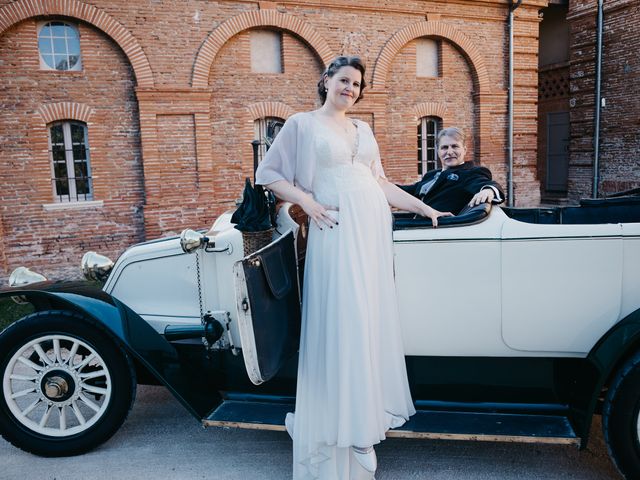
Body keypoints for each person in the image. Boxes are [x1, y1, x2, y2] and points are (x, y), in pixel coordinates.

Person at [255, 56, 451, 479]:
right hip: (337, 232)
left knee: (368, 321)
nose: (350, 88)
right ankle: (347, 428)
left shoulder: (363, 129)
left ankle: (363, 419)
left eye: (357, 84)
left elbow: (380, 182)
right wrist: (307, 201)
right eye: (344, 80)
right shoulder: (302, 124)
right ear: (326, 81)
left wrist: (423, 207)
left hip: (371, 236)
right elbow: (268, 173)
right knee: (345, 321)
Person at [399, 127, 505, 215]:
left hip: (442, 230)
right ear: (438, 151)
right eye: (444, 148)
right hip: (418, 226)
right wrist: (383, 185)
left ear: (464, 149)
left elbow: (489, 184)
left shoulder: (471, 173)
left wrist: (488, 191)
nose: (449, 152)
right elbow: (409, 191)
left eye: (455, 146)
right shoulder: (430, 175)